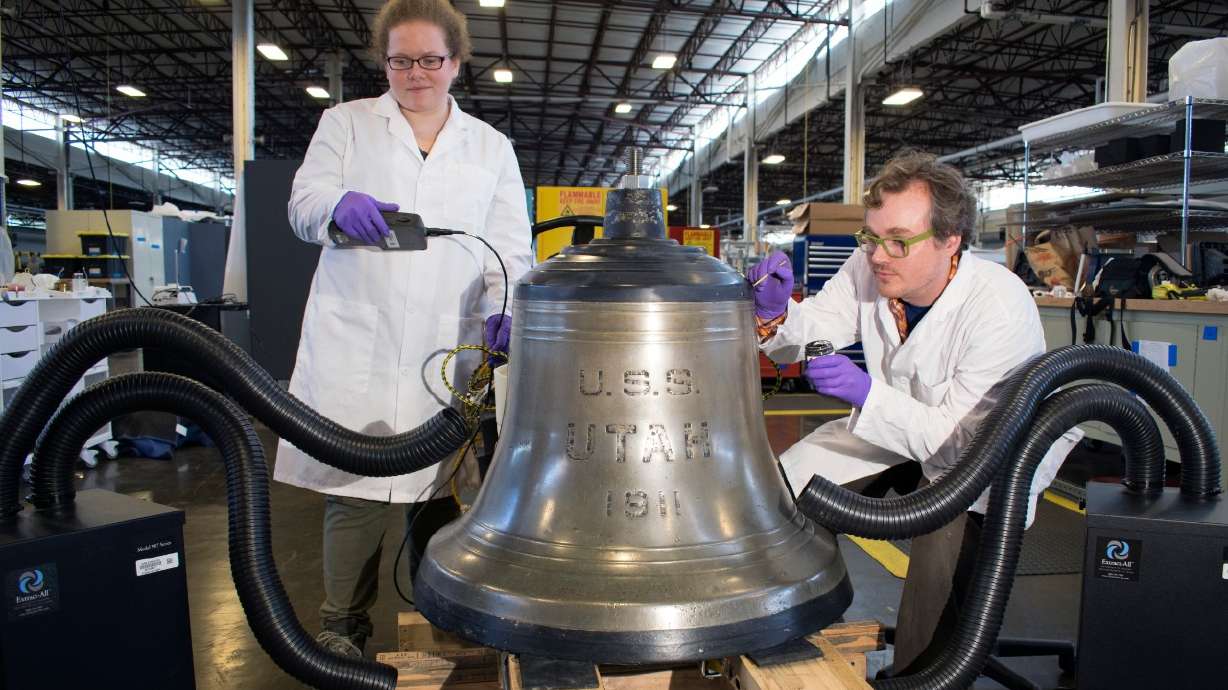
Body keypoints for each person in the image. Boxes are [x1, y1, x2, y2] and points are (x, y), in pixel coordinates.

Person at [748, 151, 1080, 675]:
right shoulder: (870, 264)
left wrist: (865, 394)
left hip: (985, 459)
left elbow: (957, 443)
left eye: (899, 241)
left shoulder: (998, 306)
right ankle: (784, 646)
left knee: (938, 556)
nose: (879, 255)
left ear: (951, 241)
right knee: (782, 495)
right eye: (871, 236)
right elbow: (819, 327)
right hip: (897, 428)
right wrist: (775, 316)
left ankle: (921, 679)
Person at [276, 0, 532, 658]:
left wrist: (505, 310)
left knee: (441, 494)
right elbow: (303, 206)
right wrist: (338, 203)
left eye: (429, 60)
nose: (414, 73)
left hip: (445, 349)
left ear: (455, 61)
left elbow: (510, 250)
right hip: (357, 342)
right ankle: (341, 632)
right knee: (355, 494)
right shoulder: (347, 124)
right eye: (399, 60)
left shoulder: (490, 147)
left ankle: (438, 617)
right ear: (383, 60)